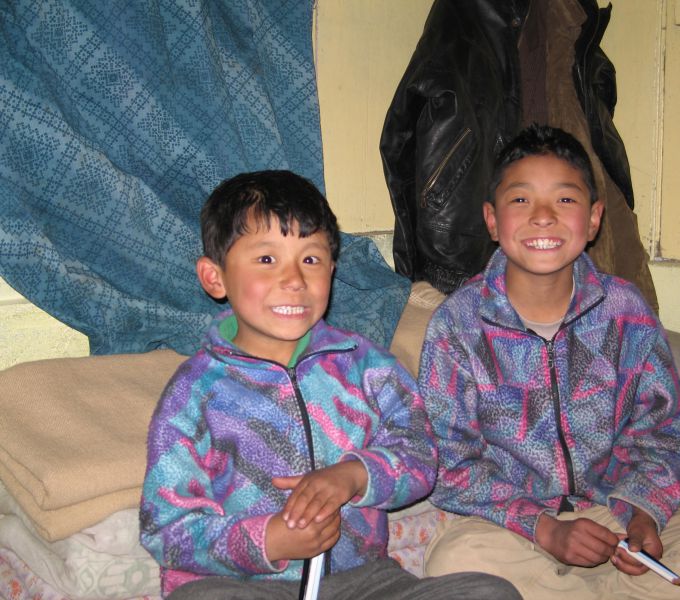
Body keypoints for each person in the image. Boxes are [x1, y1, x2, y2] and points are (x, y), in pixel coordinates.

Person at [418, 125, 680, 599]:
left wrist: (644, 515)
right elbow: (448, 464)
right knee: (455, 562)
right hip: (514, 526)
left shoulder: (624, 312)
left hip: (614, 513)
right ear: (492, 220)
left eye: (564, 199)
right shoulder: (458, 325)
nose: (543, 216)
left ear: (594, 218)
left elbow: (658, 435)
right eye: (520, 200)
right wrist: (544, 528)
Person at [139, 170, 521, 600]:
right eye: (266, 260)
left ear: (332, 270)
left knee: (489, 593)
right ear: (215, 277)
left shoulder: (367, 366)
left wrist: (356, 474)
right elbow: (165, 529)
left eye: (311, 259)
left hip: (364, 581)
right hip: (243, 586)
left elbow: (420, 456)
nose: (294, 280)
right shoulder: (195, 392)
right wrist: (268, 541)